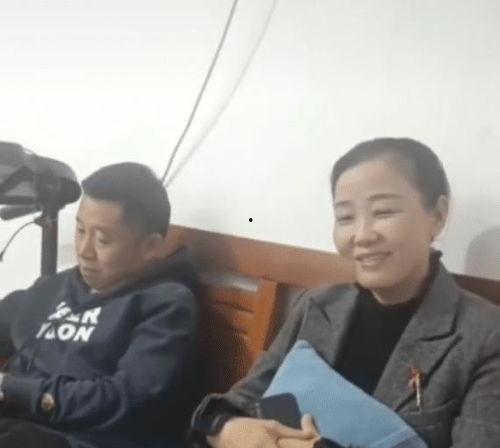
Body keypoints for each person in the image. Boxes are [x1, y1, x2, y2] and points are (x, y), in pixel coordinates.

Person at [190, 138, 500, 448]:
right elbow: (245, 398)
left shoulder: (484, 337)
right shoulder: (318, 305)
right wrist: (225, 427)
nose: (361, 235)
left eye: (383, 211)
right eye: (345, 218)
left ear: (438, 215)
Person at [0, 162, 200, 448]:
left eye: (102, 240)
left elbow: (121, 399)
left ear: (151, 247)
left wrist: (13, 389)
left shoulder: (166, 306)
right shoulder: (56, 287)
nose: (84, 251)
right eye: (80, 230)